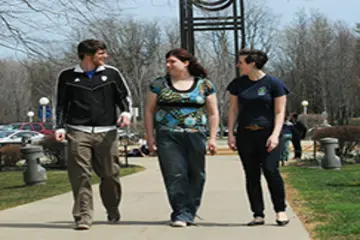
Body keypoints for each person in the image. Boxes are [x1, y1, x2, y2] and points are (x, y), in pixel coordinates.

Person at [53, 39, 132, 230]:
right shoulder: (67, 76)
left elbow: (123, 96)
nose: (105, 56)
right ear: (88, 56)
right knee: (80, 175)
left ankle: (112, 208)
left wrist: (126, 112)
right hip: (78, 131)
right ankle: (83, 216)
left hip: (107, 132)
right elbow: (61, 103)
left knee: (110, 175)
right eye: (100, 53)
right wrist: (60, 127)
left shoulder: (112, 73)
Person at [144, 48, 219, 227]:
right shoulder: (158, 85)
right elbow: (149, 111)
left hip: (195, 135)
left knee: (196, 174)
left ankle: (190, 210)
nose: (168, 65)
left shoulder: (204, 85)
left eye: (172, 61)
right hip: (167, 136)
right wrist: (150, 137)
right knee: (174, 174)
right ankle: (181, 213)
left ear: (185, 63)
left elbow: (213, 113)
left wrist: (213, 138)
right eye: (167, 62)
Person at [227, 49, 290, 226]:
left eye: (241, 62)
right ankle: (258, 214)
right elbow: (233, 109)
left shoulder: (274, 84)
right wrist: (231, 134)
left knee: (271, 170)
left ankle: (280, 210)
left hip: (269, 134)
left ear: (252, 63)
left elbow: (279, 111)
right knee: (251, 175)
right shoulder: (237, 84)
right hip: (246, 134)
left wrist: (275, 135)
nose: (238, 65)